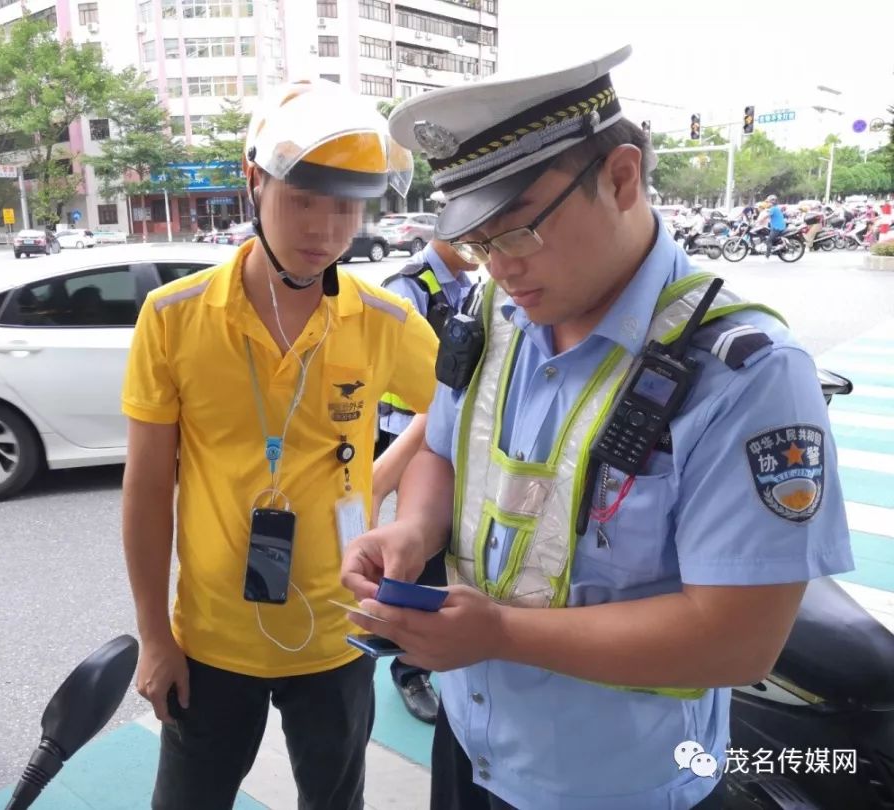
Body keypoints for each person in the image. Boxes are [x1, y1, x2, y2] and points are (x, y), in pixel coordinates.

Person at [340, 44, 854, 810]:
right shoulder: (492, 317)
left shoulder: (743, 375)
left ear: (620, 177)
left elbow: (738, 639)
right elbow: (443, 453)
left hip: (618, 784)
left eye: (518, 230)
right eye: (479, 243)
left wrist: (500, 635)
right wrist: (412, 532)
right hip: (473, 741)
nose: (500, 266)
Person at [120, 79, 439, 810]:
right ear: (254, 180)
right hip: (209, 639)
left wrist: (386, 473)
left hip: (341, 629)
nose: (326, 230)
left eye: (346, 207)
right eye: (304, 199)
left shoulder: (384, 322)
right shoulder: (173, 318)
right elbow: (145, 491)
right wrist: (154, 635)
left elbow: (462, 407)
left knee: (334, 800)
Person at [374, 202, 479, 724]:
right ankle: (409, 670)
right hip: (409, 443)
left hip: (462, 443)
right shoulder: (408, 288)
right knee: (419, 558)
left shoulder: (478, 289)